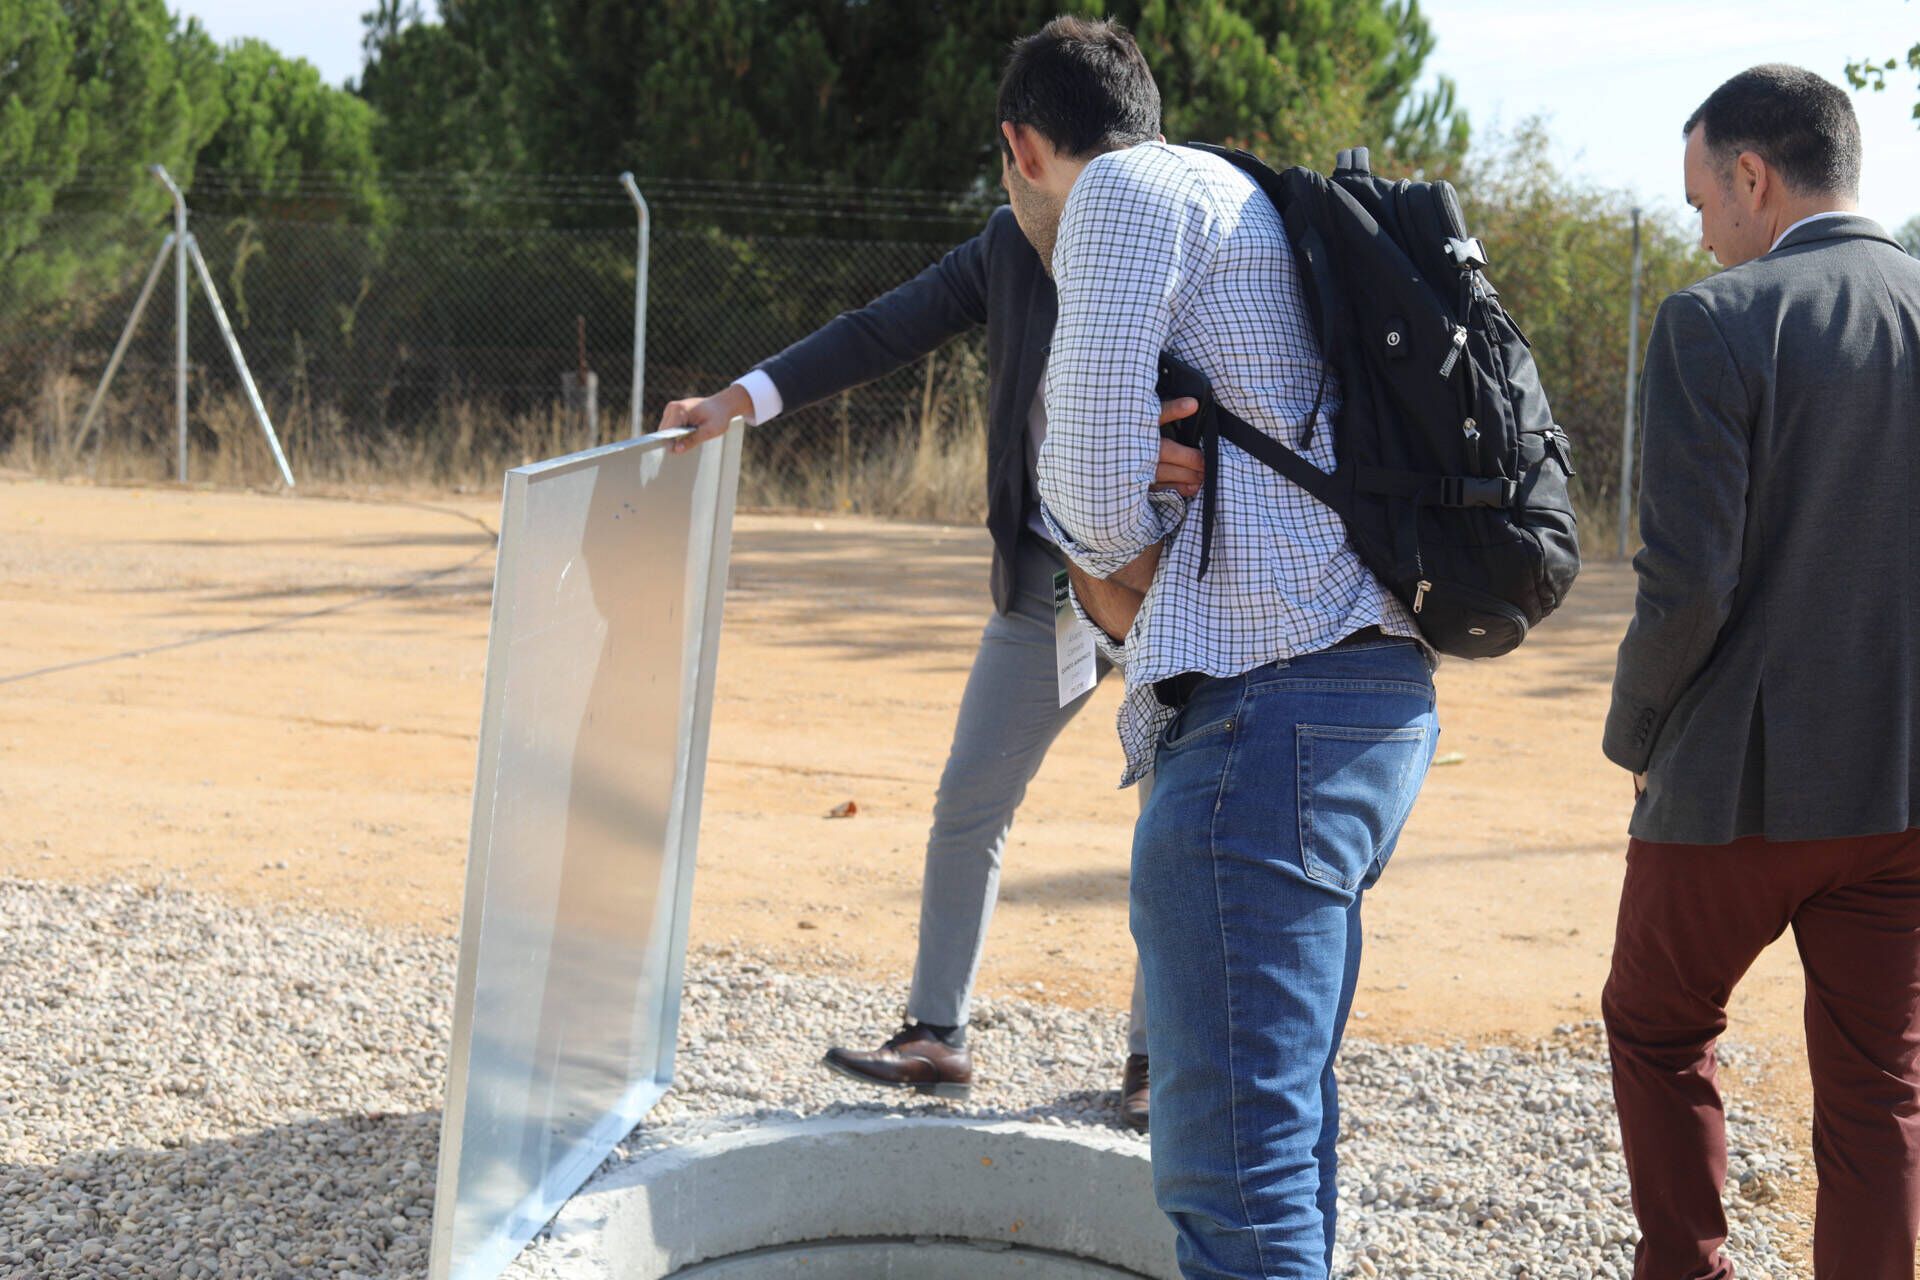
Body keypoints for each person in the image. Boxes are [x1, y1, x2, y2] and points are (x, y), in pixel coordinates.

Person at [659, 136, 1206, 1137]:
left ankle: (1157, 1058)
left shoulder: (1200, 232)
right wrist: (742, 399)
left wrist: (1216, 467)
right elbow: (882, 329)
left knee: (1173, 818)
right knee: (970, 797)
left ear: (1027, 151)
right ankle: (936, 1034)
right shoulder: (1008, 246)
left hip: (1179, 581)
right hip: (1048, 581)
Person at [1016, 17, 1438, 1279]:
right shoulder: (1237, 194)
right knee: (1282, 1143)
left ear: (1022, 148)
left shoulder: (1116, 193)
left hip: (1262, 720)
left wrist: (1099, 512)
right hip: (1367, 696)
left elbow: (1092, 505)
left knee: (1232, 1188)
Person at [1601, 64, 1920, 1280]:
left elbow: (1689, 585)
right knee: (1880, 1086)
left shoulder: (1715, 320)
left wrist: (1636, 734)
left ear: (1754, 176)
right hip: (1901, 794)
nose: (1701, 233)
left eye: (1700, 203)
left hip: (1732, 790)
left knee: (1657, 1025)